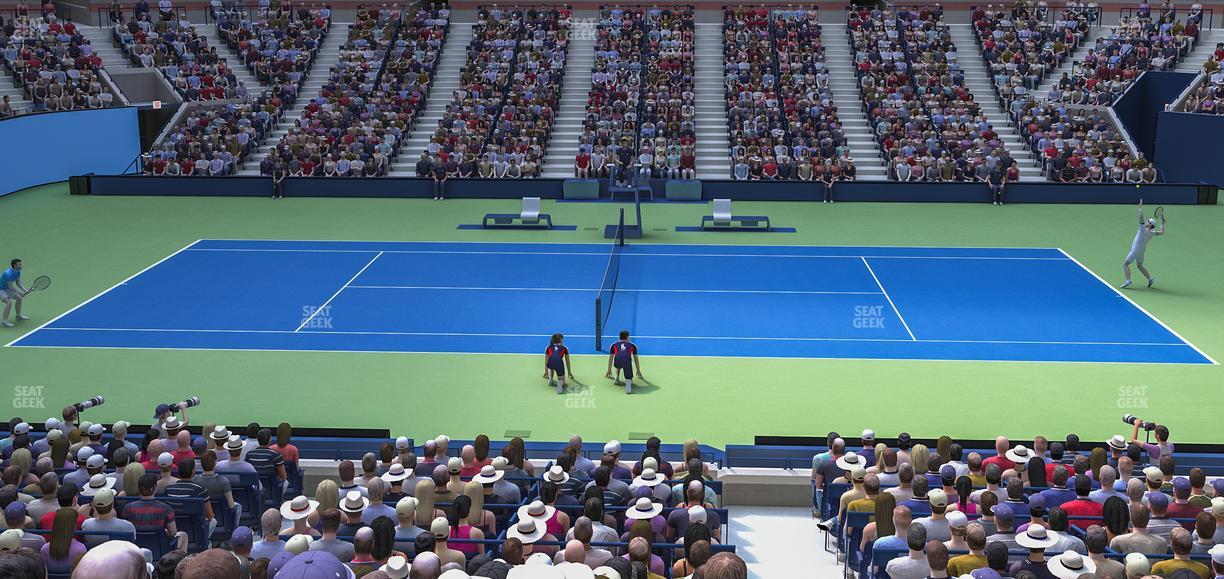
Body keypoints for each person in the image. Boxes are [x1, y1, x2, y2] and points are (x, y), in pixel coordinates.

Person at [1122, 200, 1164, 288]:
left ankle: (1128, 280)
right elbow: (1161, 232)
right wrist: (1162, 224)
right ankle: (1150, 278)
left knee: (1125, 264)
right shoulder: (1152, 233)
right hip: (1142, 251)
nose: (1146, 221)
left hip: (1135, 250)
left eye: (1147, 221)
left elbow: (1140, 217)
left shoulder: (1142, 228)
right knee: (1139, 265)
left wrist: (1140, 207)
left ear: (1150, 224)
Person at [606, 330, 643, 394]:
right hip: (626, 362)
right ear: (628, 337)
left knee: (619, 359)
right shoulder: (633, 346)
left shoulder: (613, 345)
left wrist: (609, 369)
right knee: (627, 361)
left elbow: (611, 358)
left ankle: (616, 378)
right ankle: (628, 388)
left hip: (617, 362)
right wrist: (638, 370)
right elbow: (636, 359)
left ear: (619, 337)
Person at [1, 258, 28, 327]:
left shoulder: (18, 271)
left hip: (6, 288)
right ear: (14, 265)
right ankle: (4, 322)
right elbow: (11, 287)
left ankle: (18, 316)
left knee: (19, 298)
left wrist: (24, 290)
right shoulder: (8, 273)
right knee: (9, 302)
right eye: (19, 264)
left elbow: (18, 283)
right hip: (1, 289)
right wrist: (20, 292)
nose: (21, 266)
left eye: (21, 264)